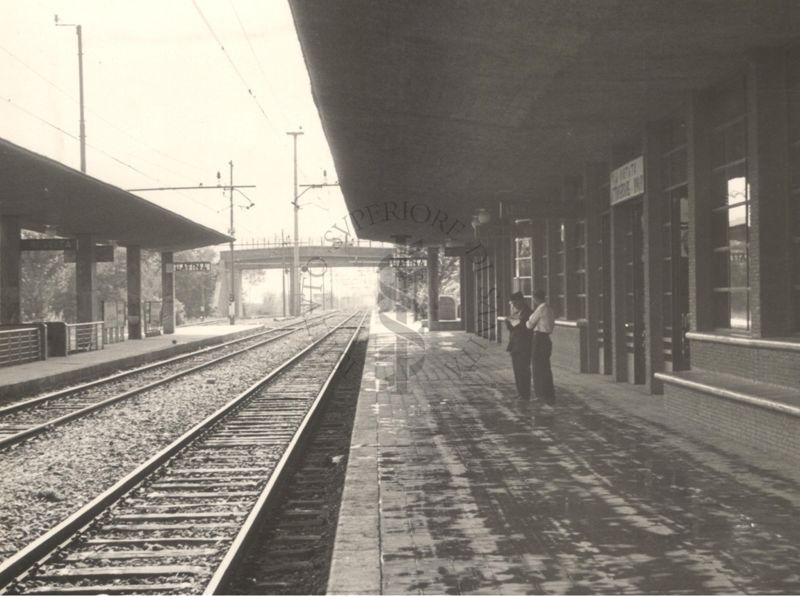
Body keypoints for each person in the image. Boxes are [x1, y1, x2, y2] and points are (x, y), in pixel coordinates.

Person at [526, 289, 555, 405]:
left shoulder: (540, 309)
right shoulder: (549, 308)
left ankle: (540, 395)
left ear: (535, 298)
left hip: (539, 339)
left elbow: (529, 324)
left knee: (537, 367)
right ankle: (549, 393)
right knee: (546, 367)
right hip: (547, 339)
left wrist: (528, 322)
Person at [505, 291, 533, 400]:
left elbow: (521, 328)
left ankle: (525, 393)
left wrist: (510, 321)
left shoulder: (528, 313)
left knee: (523, 370)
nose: (514, 305)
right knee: (517, 370)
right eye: (513, 303)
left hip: (524, 346)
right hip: (515, 346)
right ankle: (521, 392)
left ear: (521, 300)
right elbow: (511, 325)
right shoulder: (518, 312)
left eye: (515, 302)